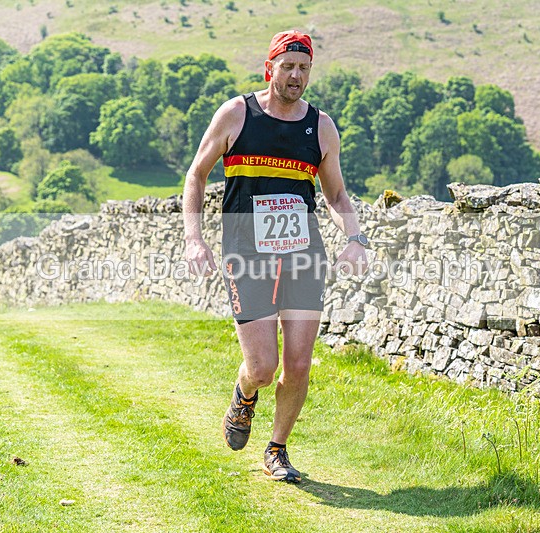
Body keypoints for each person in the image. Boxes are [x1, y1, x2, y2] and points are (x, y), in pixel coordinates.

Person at [182, 30, 368, 483]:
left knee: (299, 363)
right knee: (264, 367)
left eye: (304, 68)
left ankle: (277, 449)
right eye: (288, 67)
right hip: (246, 254)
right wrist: (194, 238)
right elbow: (196, 175)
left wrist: (356, 237)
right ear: (270, 69)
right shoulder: (236, 114)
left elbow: (337, 192)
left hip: (303, 254)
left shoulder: (320, 126)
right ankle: (244, 393)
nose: (296, 76)